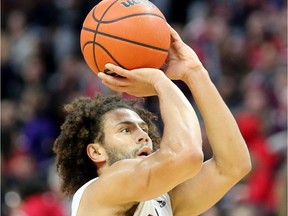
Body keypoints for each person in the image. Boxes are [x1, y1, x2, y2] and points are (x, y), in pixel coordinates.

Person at [53, 26, 251, 216]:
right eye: (125, 130)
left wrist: (195, 73)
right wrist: (160, 81)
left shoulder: (161, 200)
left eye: (144, 128)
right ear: (96, 152)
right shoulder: (100, 190)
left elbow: (233, 165)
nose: (143, 136)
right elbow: (187, 155)